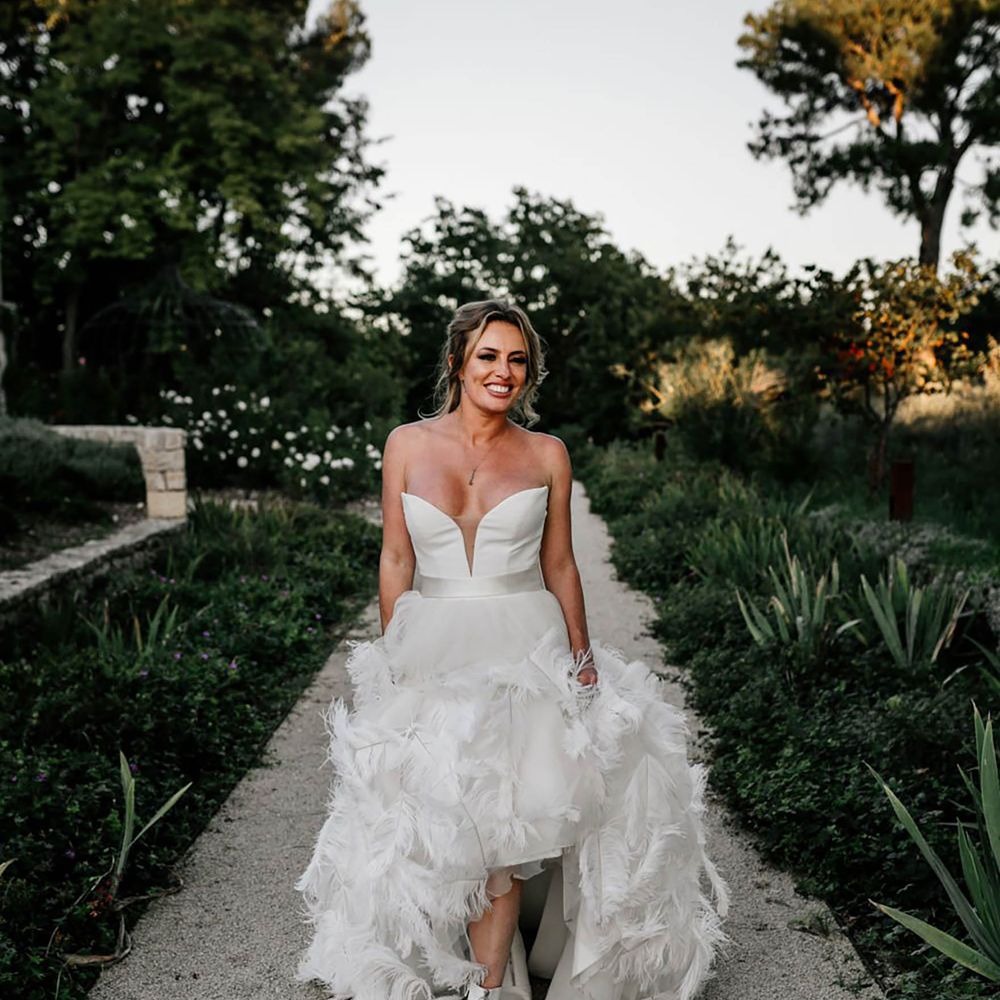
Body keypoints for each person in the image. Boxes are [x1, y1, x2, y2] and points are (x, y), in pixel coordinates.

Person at [294, 299, 728, 1000]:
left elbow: (560, 565)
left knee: (501, 829)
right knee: (441, 819)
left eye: (517, 359)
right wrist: (390, 652)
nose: (504, 372)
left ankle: (487, 991)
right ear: (457, 363)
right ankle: (462, 968)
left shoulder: (547, 453)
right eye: (490, 356)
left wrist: (582, 656)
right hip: (433, 646)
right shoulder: (405, 444)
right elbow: (395, 559)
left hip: (523, 652)